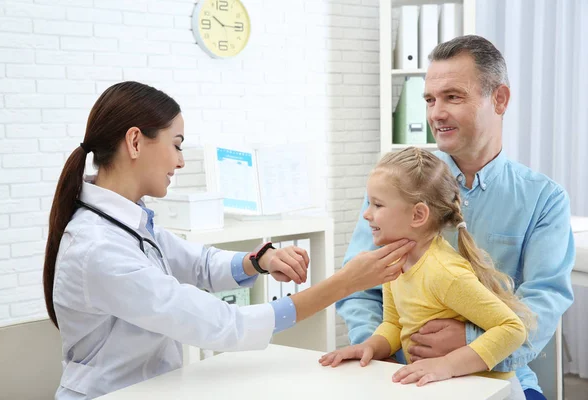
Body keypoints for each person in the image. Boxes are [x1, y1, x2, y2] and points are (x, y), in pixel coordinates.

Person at [43, 81, 417, 400]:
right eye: (176, 144)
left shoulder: (129, 219)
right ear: (136, 142)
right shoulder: (98, 249)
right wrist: (344, 282)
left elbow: (198, 262)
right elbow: (225, 324)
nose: (181, 161)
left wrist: (259, 260)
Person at [336, 35, 575, 400]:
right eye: (430, 99)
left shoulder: (544, 199)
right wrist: (383, 347)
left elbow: (542, 304)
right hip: (401, 376)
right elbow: (359, 290)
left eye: (453, 96)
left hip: (499, 378)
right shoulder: (397, 187)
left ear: (499, 99)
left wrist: (467, 342)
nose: (436, 113)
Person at [321, 148, 535, 399]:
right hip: (446, 388)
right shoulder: (396, 264)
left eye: (377, 204)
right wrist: (370, 347)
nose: (367, 214)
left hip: (489, 392)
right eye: (369, 203)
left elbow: (512, 329)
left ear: (418, 215)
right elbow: (394, 323)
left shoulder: (443, 273)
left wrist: (447, 365)